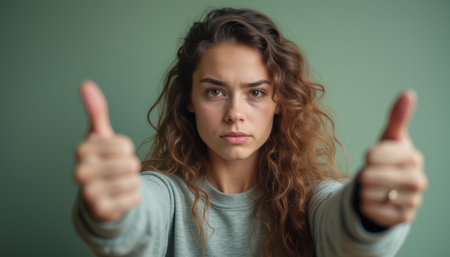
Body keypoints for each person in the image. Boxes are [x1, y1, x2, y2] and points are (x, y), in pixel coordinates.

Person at [72, 8, 427, 257]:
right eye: (215, 91)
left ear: (279, 102)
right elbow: (135, 224)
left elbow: (345, 235)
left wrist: (370, 214)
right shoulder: (165, 195)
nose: (235, 114)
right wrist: (113, 210)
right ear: (190, 100)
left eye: (255, 92)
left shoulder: (311, 200)